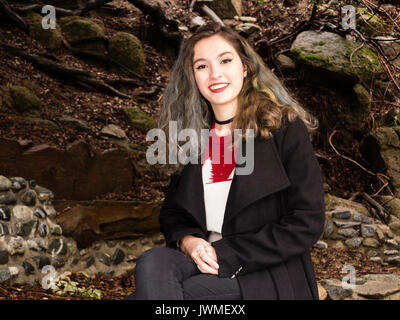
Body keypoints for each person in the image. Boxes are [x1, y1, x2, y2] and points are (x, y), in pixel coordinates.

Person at [128, 22, 325, 300]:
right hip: (203, 262)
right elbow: (173, 214)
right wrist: (190, 242)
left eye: (225, 60)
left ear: (245, 67)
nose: (214, 74)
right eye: (202, 66)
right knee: (153, 262)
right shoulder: (193, 137)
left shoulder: (285, 128)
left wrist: (227, 254)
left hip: (267, 273)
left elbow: (307, 220)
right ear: (193, 77)